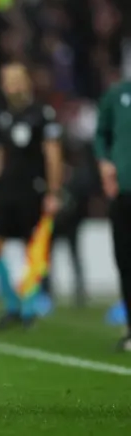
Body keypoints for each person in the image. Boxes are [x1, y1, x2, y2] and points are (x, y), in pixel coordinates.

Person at [0, 62, 63, 329]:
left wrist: (53, 192)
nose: (9, 85)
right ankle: (12, 304)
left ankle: (29, 309)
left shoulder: (42, 114)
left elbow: (52, 155)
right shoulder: (2, 116)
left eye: (14, 79)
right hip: (6, 191)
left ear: (26, 82)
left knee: (33, 250)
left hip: (33, 190)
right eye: (6, 80)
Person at [94, 78, 131, 352]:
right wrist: (105, 163)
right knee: (126, 261)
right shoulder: (117, 95)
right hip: (124, 192)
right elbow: (100, 135)